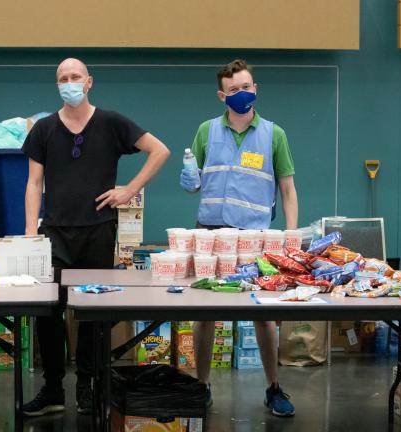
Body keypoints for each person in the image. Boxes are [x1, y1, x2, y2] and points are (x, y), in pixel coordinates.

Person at [22, 58, 170, 416]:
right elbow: (33, 183)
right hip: (54, 233)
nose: (69, 83)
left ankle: (87, 386)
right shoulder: (43, 129)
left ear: (89, 82)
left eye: (75, 77)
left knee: (91, 314)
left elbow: (160, 150)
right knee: (48, 313)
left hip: (99, 231)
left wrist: (128, 191)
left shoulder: (111, 122)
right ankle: (54, 389)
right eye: (62, 78)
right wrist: (30, 235)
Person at [180, 59, 298, 417]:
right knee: (206, 315)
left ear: (255, 89)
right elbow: (194, 181)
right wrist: (188, 179)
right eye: (233, 90)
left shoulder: (274, 134)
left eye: (246, 87)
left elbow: (288, 190)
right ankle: (202, 386)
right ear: (222, 95)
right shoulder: (206, 131)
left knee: (263, 315)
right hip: (211, 237)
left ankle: (273, 387)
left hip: (256, 239)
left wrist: (290, 237)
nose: (241, 94)